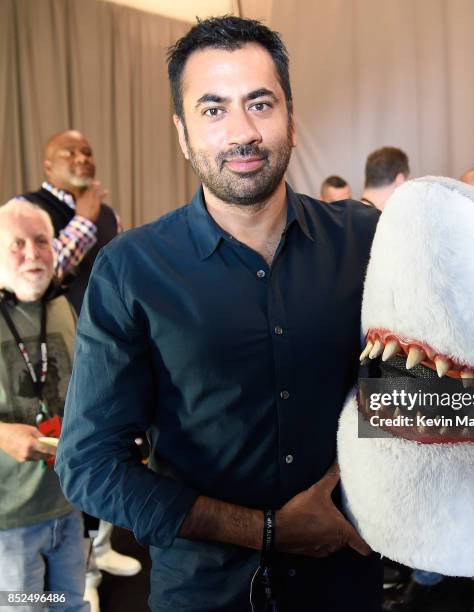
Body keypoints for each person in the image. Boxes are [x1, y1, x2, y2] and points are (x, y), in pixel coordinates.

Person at [56, 16, 382, 612]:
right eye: (213, 110)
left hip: (347, 583)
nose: (242, 132)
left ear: (291, 115)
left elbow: (421, 390)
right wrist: (267, 530)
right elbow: (90, 466)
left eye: (260, 103)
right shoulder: (131, 269)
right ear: (182, 133)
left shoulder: (368, 242)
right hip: (205, 594)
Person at [16, 130, 141, 610]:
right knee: (71, 456)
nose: (81, 157)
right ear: (47, 167)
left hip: (110, 350)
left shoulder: (108, 214)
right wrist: (85, 222)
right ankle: (75, 571)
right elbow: (37, 275)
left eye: (87, 150)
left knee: (114, 449)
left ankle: (101, 549)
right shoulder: (28, 210)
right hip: (51, 356)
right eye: (68, 152)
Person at [0, 200, 88, 611]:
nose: (32, 254)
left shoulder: (62, 306)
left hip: (67, 506)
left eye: (41, 241)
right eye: (16, 244)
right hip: (9, 522)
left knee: (69, 605)